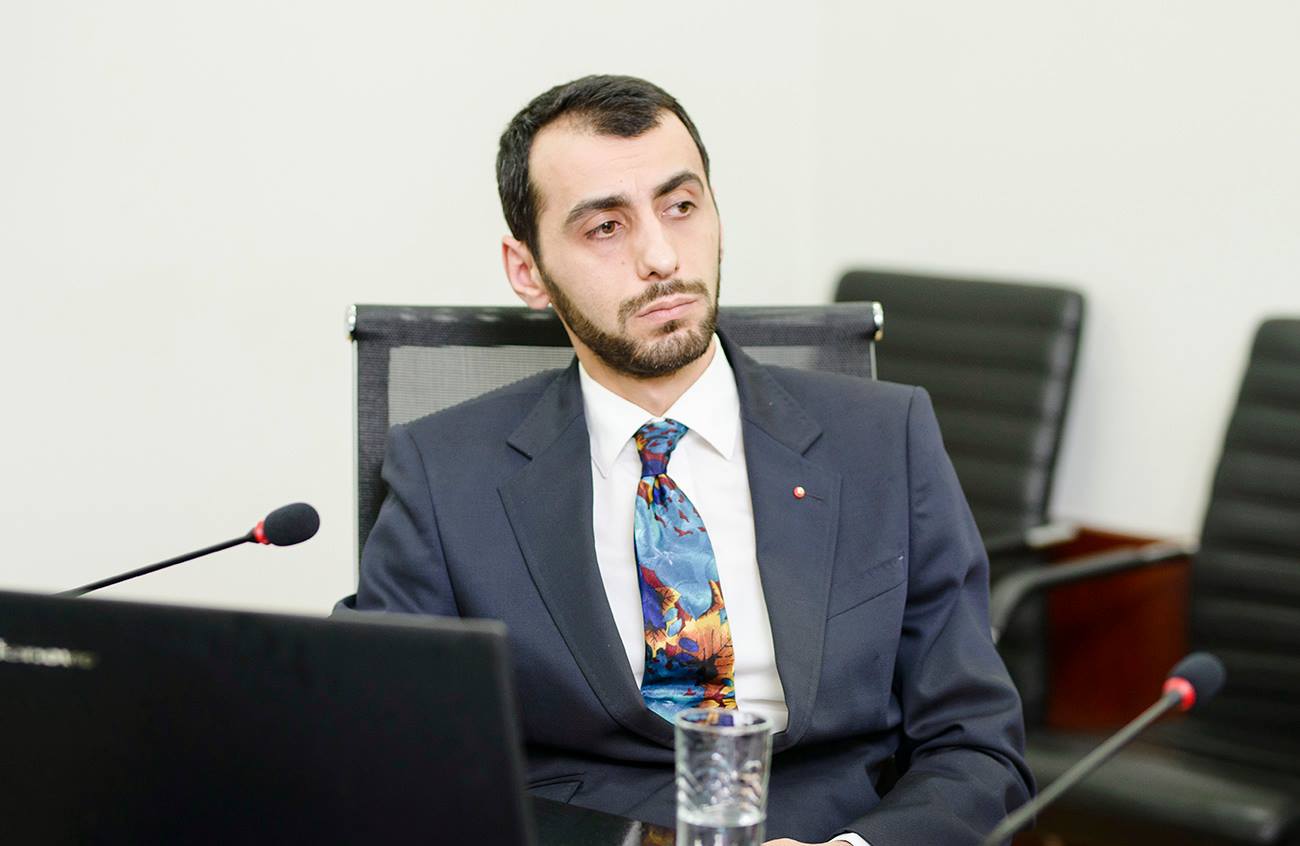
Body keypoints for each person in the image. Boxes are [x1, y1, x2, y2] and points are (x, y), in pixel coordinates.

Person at [339, 75, 1033, 845]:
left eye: (680, 206)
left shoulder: (883, 439)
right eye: (606, 226)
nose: (662, 257)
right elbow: (384, 750)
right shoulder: (444, 475)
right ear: (527, 269)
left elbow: (976, 744)